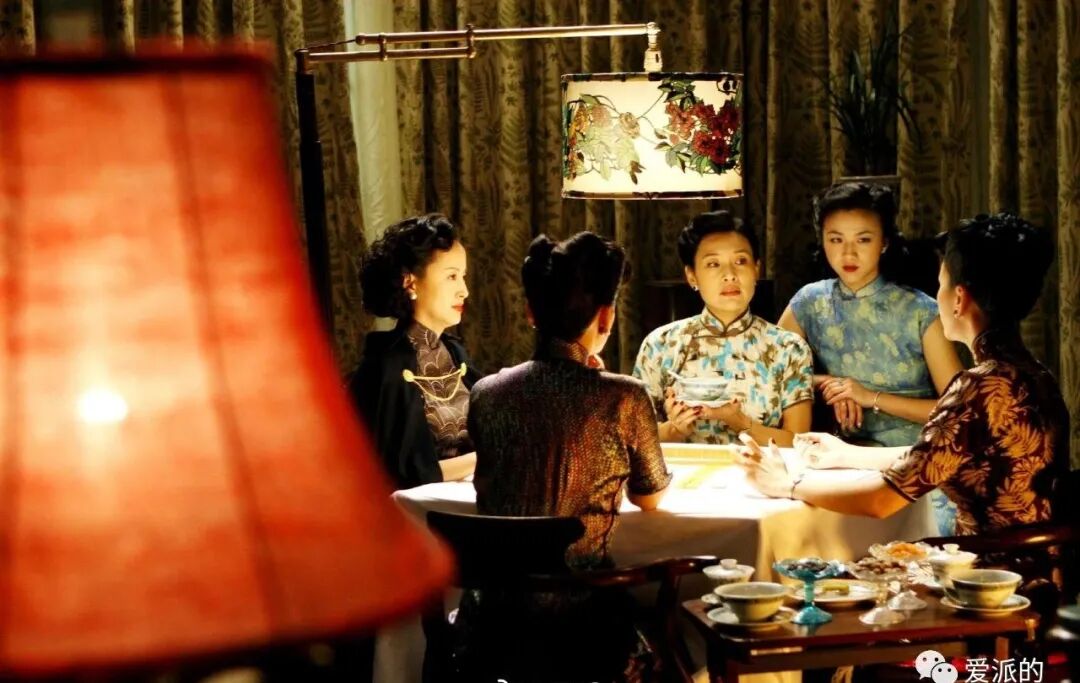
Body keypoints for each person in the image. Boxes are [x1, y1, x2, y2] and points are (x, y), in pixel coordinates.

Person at [740, 212, 1069, 537]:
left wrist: (788, 484)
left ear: (958, 299)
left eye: (940, 285)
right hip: (1041, 561)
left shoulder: (978, 387)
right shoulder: (1034, 374)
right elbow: (937, 454)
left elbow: (881, 500)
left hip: (989, 566)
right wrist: (844, 454)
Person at [464, 231, 672, 682]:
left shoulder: (486, 393)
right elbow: (650, 496)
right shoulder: (624, 397)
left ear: (530, 312)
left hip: (493, 624)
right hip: (586, 626)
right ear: (607, 316)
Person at [779, 182, 964, 532]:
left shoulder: (920, 310)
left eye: (863, 240)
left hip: (917, 462)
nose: (848, 253)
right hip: (840, 458)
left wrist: (870, 397)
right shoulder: (809, 302)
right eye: (836, 239)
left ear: (885, 243)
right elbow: (772, 375)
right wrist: (831, 385)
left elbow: (959, 411)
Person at [633, 210, 813, 446]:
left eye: (740, 261)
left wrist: (739, 421)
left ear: (756, 269)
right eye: (713, 264)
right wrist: (673, 430)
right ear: (692, 276)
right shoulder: (661, 344)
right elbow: (632, 439)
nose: (729, 275)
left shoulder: (789, 348)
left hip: (762, 470)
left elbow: (798, 442)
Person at [347, 214, 480, 490]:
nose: (464, 291)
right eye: (452, 276)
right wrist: (484, 460)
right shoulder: (385, 367)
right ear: (410, 283)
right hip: (418, 511)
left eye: (463, 276)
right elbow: (400, 474)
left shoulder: (455, 353)